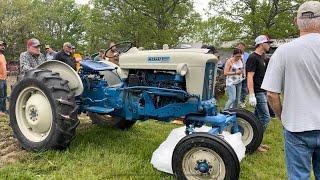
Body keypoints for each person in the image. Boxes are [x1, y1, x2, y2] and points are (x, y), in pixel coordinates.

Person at [262, 1, 320, 179]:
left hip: (297, 126)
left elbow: (271, 94)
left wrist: (281, 116)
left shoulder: (283, 51)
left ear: (296, 22)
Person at [246, 35, 271, 152]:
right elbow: (249, 76)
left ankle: (254, 141)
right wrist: (251, 94)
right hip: (257, 92)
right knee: (265, 117)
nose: (269, 45)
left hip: (263, 91)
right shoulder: (253, 57)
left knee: (256, 118)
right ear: (261, 44)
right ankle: (255, 143)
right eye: (268, 42)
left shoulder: (262, 58)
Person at [237, 42, 250, 108]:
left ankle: (242, 101)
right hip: (237, 75)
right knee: (238, 88)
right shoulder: (234, 55)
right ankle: (236, 101)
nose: (240, 48)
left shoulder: (248, 55)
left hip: (245, 74)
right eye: (239, 47)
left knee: (244, 89)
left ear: (244, 48)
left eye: (241, 47)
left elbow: (249, 64)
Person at [0, 41, 7, 116]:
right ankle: (0, 110)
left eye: (3, 45)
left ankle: (4, 110)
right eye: (1, 45)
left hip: (4, 79)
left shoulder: (3, 56)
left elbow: (4, 66)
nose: (2, 47)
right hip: (0, 79)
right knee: (1, 96)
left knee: (4, 95)